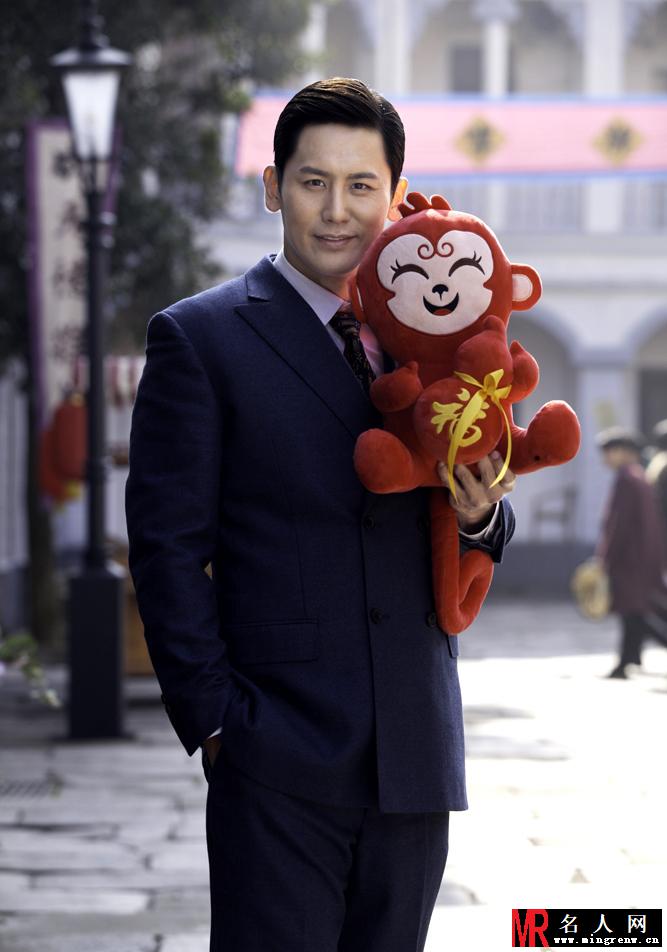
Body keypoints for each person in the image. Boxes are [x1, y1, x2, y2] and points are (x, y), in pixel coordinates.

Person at [125, 77, 516, 952]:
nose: (337, 211)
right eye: (313, 182)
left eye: (360, 185)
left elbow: (478, 526)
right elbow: (165, 548)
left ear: (395, 192)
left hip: (414, 751)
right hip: (276, 749)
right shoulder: (200, 338)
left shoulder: (440, 334)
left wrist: (480, 518)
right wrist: (217, 722)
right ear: (273, 188)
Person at [596, 427, 667, 679]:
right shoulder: (639, 476)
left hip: (630, 558)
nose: (606, 459)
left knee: (635, 613)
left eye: (609, 452)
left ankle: (625, 662)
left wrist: (605, 557)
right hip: (642, 556)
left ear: (623, 452)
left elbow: (620, 524)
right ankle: (629, 659)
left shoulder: (628, 479)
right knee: (636, 611)